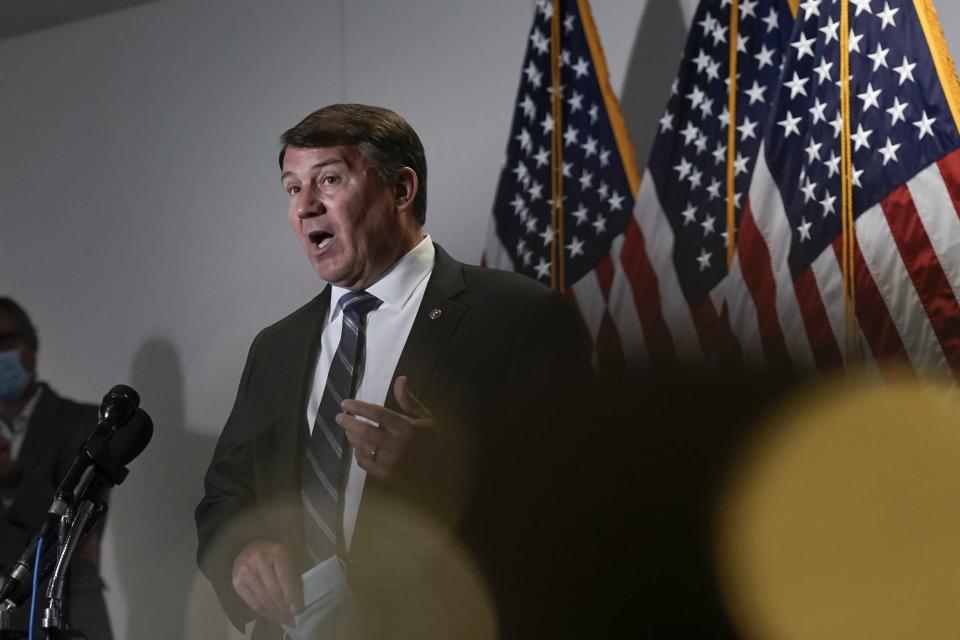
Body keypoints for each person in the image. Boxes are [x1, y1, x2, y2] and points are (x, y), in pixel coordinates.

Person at [195, 104, 593, 639]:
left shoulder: (519, 317)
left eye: (329, 179)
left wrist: (449, 472)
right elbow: (225, 494)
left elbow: (580, 504)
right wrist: (242, 552)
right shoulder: (276, 347)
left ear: (401, 190)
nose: (306, 206)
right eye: (292, 188)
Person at [0, 297, 114, 639]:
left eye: (3, 343)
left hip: (63, 618)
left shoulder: (86, 425)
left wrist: (14, 480)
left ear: (30, 346)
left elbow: (73, 531)